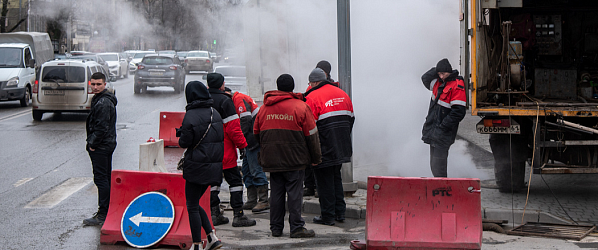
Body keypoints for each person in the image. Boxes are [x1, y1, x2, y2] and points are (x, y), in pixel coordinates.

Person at [254, 74, 321, 238]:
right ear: (292, 87)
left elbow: (256, 133)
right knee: (294, 194)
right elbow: (312, 136)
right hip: (295, 160)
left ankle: (276, 228)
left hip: (272, 160)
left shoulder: (264, 108)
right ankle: (296, 227)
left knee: (276, 193)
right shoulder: (301, 107)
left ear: (277, 87)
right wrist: (316, 159)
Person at [304, 68, 355, 226]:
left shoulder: (311, 97)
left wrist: (310, 151)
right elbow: (351, 118)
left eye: (310, 83)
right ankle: (340, 212)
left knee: (324, 182)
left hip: (324, 146)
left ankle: (327, 216)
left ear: (315, 82)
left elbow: (309, 126)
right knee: (335, 178)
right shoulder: (342, 93)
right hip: (341, 144)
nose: (310, 86)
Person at [177, 81, 224, 250]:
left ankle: (197, 244)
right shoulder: (215, 113)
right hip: (214, 167)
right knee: (195, 203)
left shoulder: (191, 115)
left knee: (191, 205)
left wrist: (181, 134)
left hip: (197, 167)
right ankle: (212, 238)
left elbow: (184, 142)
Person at [206, 73, 256, 227]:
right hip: (224, 149)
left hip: (207, 151)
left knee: (212, 182)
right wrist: (242, 145)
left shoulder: (203, 100)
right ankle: (238, 215)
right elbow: (234, 129)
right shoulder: (225, 101)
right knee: (235, 181)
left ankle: (214, 213)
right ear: (222, 85)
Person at [223, 87, 270, 213]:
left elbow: (245, 120)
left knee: (255, 169)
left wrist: (240, 140)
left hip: (252, 140)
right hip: (249, 140)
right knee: (247, 170)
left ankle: (263, 200)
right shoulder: (236, 99)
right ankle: (252, 199)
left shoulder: (238, 99)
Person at [420, 58, 467, 177]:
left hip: (443, 132)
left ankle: (441, 190)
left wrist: (443, 127)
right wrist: (437, 69)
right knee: (434, 164)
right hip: (434, 131)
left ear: (449, 71)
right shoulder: (438, 83)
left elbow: (459, 112)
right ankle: (439, 188)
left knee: (439, 165)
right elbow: (425, 78)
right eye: (439, 74)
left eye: (443, 73)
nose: (441, 76)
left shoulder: (457, 85)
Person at [83, 72, 117, 226]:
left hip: (102, 146)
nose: (95, 87)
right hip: (106, 144)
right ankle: (107, 210)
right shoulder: (101, 99)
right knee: (105, 178)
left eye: (99, 84)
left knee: (101, 179)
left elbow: (101, 128)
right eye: (93, 84)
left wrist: (92, 144)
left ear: (104, 84)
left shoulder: (103, 102)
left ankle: (103, 214)